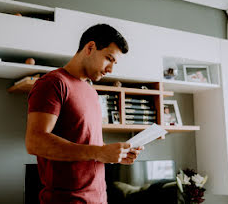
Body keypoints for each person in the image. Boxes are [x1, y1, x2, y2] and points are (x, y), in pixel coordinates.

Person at [25, 24, 144, 204]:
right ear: (90, 48)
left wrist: (116, 153)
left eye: (114, 63)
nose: (111, 69)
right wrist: (99, 152)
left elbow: (89, 143)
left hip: (99, 198)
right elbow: (35, 141)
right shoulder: (53, 83)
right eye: (108, 58)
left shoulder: (92, 92)